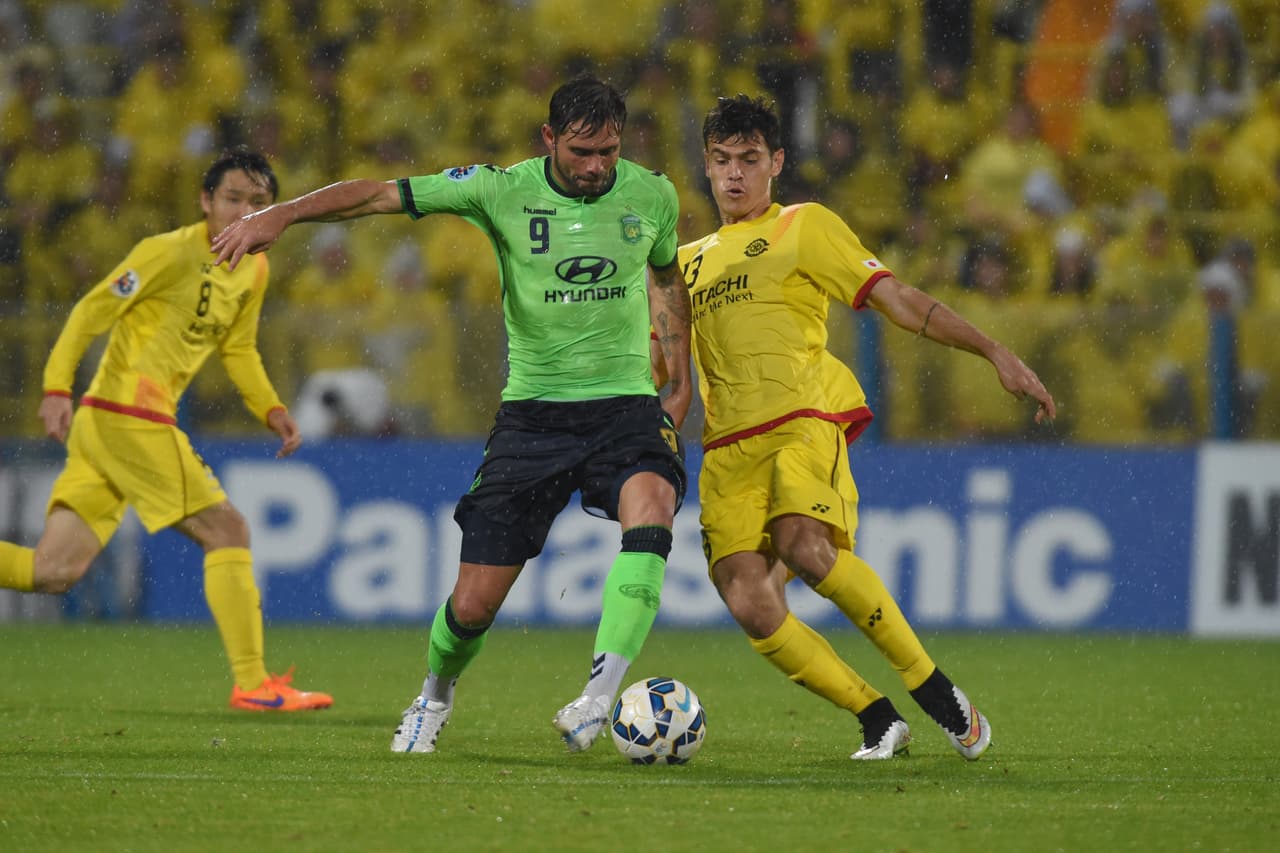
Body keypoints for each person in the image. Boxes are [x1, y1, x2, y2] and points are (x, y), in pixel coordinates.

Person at [211, 75, 693, 755]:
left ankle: (596, 699)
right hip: (534, 418)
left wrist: (680, 379)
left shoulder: (653, 194)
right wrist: (281, 214)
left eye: (609, 152)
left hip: (626, 408)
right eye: (583, 151)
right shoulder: (499, 189)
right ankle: (434, 695)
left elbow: (668, 279)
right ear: (549, 139)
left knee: (653, 511)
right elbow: (379, 194)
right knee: (471, 607)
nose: (596, 168)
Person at [670, 95, 1055, 760]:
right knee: (749, 599)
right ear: (706, 167)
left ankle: (934, 689)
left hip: (801, 418)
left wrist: (994, 349)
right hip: (726, 447)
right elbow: (665, 364)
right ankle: (876, 715)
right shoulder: (683, 262)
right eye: (722, 161)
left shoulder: (803, 226)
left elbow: (898, 299)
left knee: (804, 543)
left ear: (777, 163)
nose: (734, 174)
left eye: (750, 160)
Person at [0, 148, 332, 713]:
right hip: (129, 417)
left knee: (53, 571)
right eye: (232, 199)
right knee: (228, 530)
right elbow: (89, 313)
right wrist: (57, 389)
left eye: (259, 203)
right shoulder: (167, 253)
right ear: (205, 201)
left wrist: (271, 408)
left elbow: (238, 347)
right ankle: (253, 683)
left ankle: (254, 683)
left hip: (109, 427)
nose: (244, 213)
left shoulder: (254, 266)